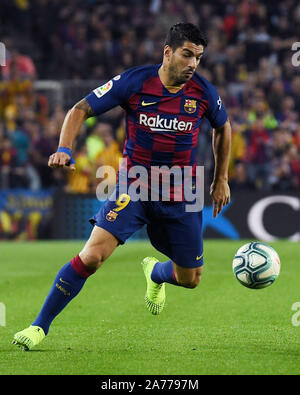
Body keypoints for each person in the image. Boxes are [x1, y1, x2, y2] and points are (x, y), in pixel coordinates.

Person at [13, 23, 231, 350]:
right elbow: (80, 109)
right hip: (136, 187)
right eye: (187, 55)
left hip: (181, 192)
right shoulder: (135, 81)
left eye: (198, 58)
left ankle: (156, 274)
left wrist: (220, 179)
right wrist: (64, 148)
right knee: (92, 257)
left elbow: (223, 128)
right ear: (168, 52)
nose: (193, 64)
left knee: (191, 279)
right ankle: (39, 326)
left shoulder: (203, 92)